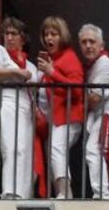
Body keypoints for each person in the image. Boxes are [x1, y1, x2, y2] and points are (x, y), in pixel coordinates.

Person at [0, 17, 38, 199]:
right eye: (6, 33)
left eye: (13, 34)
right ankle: (9, 191)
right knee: (11, 147)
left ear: (22, 39)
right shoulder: (0, 53)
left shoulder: (30, 65)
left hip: (26, 108)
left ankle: (23, 194)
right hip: (7, 102)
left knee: (25, 151)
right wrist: (15, 72)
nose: (8, 37)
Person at [36, 16, 84, 198]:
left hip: (70, 116)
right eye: (46, 34)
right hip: (58, 117)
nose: (49, 38)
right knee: (54, 151)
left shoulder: (69, 57)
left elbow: (78, 90)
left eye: (54, 34)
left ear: (61, 36)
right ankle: (61, 192)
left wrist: (52, 73)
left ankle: (65, 193)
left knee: (56, 148)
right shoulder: (54, 59)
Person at [78, 24, 109, 199]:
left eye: (92, 41)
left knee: (94, 150)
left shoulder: (105, 64)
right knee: (93, 151)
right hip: (95, 117)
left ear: (102, 45)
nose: (88, 45)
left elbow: (94, 99)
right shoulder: (91, 66)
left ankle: (102, 195)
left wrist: (76, 102)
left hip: (104, 115)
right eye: (84, 42)